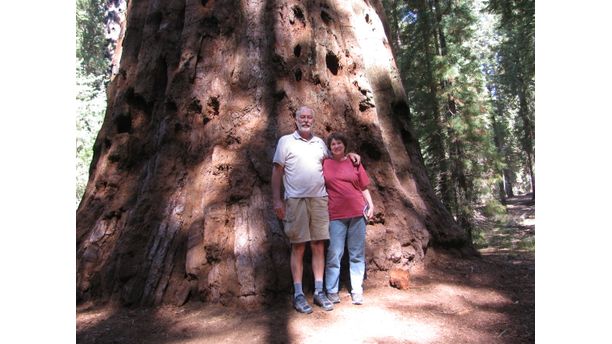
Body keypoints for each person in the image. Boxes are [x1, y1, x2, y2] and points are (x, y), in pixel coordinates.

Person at [272, 106, 359, 314]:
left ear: (313, 120)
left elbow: (335, 160)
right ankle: (299, 294)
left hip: (319, 200)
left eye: (309, 117)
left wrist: (351, 155)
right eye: (302, 117)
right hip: (295, 200)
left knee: (319, 245)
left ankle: (319, 291)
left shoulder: (320, 143)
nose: (306, 120)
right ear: (295, 120)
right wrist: (277, 200)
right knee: (299, 246)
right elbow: (277, 172)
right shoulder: (285, 142)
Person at [322, 132, 374, 305]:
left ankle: (357, 290)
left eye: (339, 143)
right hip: (336, 214)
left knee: (356, 253)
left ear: (345, 145)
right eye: (333, 144)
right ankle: (331, 290)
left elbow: (363, 186)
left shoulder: (354, 162)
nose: (336, 146)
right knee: (335, 253)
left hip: (358, 213)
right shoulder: (325, 163)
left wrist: (371, 205)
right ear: (329, 148)